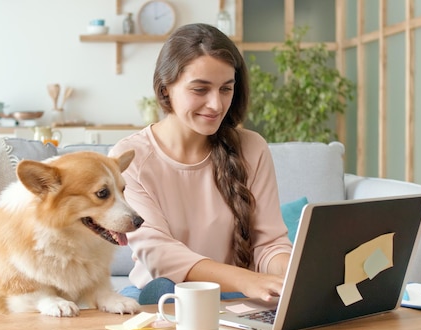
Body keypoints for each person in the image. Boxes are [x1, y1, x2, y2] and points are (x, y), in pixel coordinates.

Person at [108, 23, 292, 305]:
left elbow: (269, 245)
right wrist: (248, 280)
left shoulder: (252, 148)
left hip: (237, 297)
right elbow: (160, 256)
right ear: (165, 88)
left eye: (226, 89)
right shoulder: (130, 156)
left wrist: (293, 270)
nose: (216, 105)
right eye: (200, 89)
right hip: (161, 295)